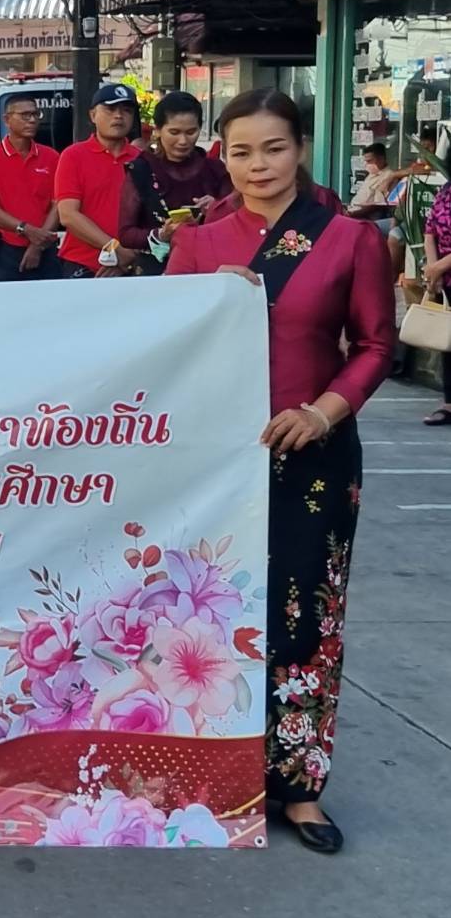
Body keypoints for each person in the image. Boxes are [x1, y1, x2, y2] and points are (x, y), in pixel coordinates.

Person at [166, 88, 394, 854]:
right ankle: (214, 772)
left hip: (314, 455)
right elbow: (163, 349)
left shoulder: (347, 239)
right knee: (204, 615)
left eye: (271, 147)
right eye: (239, 151)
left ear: (299, 147)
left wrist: (322, 411)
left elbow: (373, 346)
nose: (256, 165)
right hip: (214, 462)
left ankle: (297, 786)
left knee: (303, 618)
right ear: (219, 157)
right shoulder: (199, 244)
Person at [117, 91, 232, 273]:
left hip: (207, 268)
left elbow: (236, 222)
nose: (183, 141)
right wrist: (161, 234)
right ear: (158, 130)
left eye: (191, 132)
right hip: (155, 271)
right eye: (174, 132)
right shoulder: (141, 170)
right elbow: (126, 234)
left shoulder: (215, 170)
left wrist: (217, 208)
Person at [0, 96, 62, 281]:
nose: (32, 120)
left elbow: (58, 204)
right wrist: (26, 230)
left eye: (35, 114)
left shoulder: (51, 157)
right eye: (25, 115)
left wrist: (38, 244)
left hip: (44, 247)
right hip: (4, 247)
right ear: (7, 119)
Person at [56, 83, 140, 278]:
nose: (118, 116)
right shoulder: (73, 156)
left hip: (130, 265)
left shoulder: (142, 159)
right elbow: (68, 215)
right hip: (82, 264)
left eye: (126, 110)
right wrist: (115, 249)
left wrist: (126, 259)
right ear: (93, 115)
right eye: (110, 109)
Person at [420, 173, 451, 426]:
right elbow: (430, 230)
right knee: (448, 345)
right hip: (446, 279)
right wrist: (433, 269)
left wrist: (439, 266)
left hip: (445, 268)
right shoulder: (445, 192)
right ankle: (449, 404)